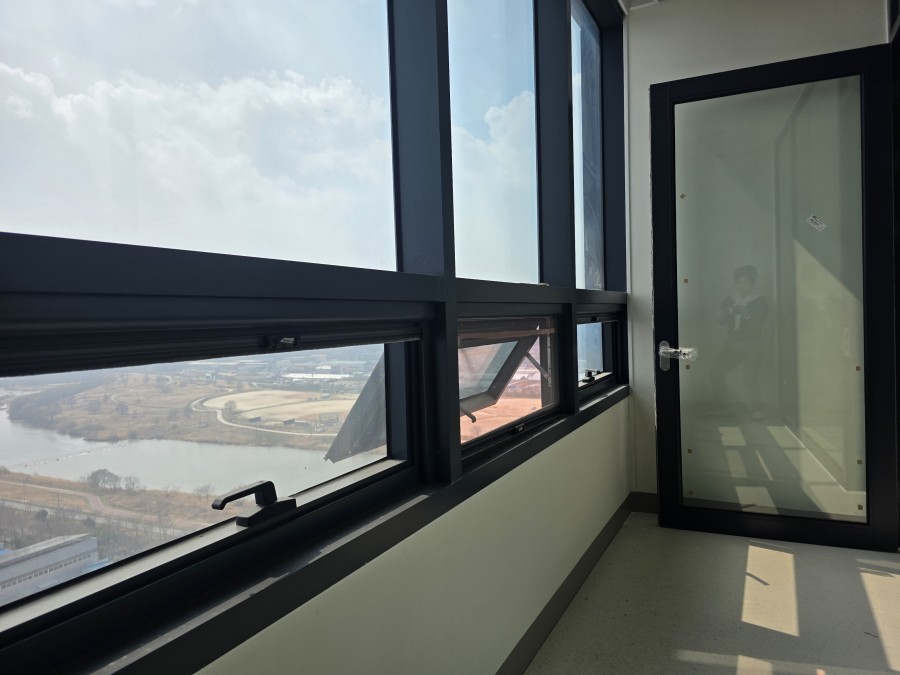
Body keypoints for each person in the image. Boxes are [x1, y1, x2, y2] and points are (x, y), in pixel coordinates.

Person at [710, 265, 767, 420]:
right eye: (739, 282)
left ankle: (756, 410)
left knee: (750, 377)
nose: (742, 286)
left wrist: (746, 313)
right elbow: (720, 321)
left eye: (746, 282)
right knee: (716, 373)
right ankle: (724, 408)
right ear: (735, 283)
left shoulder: (760, 301)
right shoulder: (730, 300)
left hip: (754, 345)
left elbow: (759, 323)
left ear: (752, 283)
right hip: (734, 344)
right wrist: (728, 311)